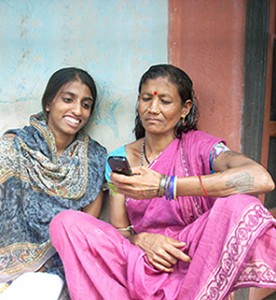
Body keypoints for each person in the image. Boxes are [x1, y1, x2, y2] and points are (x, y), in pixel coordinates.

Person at [50, 64, 276, 300]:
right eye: (146, 99)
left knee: (239, 205)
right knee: (65, 223)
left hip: (192, 256)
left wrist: (167, 185)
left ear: (184, 108)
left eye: (165, 101)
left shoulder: (201, 147)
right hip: (140, 259)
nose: (153, 108)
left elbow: (262, 180)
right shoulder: (119, 158)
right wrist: (143, 240)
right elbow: (120, 229)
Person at [0, 67, 107, 300]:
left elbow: (83, 228)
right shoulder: (14, 146)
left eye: (86, 104)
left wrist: (45, 264)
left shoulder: (95, 159)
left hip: (58, 265)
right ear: (48, 103)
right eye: (68, 99)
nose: (77, 110)